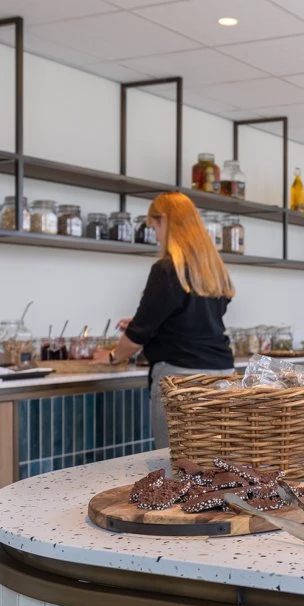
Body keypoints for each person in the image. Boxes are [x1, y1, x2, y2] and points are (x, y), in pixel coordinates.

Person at [93, 192, 235, 448]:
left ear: (165, 221)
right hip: (223, 375)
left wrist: (113, 356)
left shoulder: (167, 269)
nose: (156, 235)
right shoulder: (215, 272)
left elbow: (137, 337)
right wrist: (149, 322)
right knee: (218, 457)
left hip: (181, 378)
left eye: (155, 227)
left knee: (178, 461)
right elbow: (194, 318)